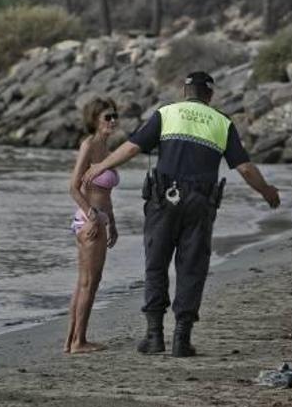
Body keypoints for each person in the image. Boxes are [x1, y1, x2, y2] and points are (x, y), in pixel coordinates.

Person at [83, 71, 280, 358]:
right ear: (209, 95)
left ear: (184, 91)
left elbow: (132, 147)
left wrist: (101, 166)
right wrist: (266, 191)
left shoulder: (167, 113)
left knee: (156, 263)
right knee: (192, 266)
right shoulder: (222, 122)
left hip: (163, 199)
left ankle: (153, 337)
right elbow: (245, 168)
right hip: (200, 203)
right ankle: (181, 340)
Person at [64, 97, 120, 354]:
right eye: (107, 117)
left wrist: (113, 223)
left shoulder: (106, 149)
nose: (113, 121)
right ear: (95, 119)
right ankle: (79, 342)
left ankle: (71, 340)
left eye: (114, 116)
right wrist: (93, 215)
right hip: (90, 222)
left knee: (83, 282)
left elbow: (105, 194)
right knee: (90, 282)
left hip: (98, 220)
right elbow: (74, 187)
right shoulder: (88, 145)